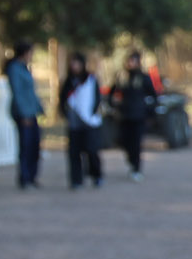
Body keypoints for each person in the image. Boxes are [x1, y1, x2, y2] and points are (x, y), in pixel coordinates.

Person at [59, 53, 104, 188]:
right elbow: (62, 99)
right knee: (74, 152)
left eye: (77, 63)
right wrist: (65, 114)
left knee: (92, 150)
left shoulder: (91, 79)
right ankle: (76, 180)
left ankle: (96, 175)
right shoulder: (68, 81)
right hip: (74, 123)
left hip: (89, 122)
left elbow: (97, 98)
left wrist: (92, 113)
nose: (74, 66)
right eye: (72, 63)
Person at [110, 51, 156, 181]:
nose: (131, 64)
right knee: (124, 141)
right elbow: (112, 93)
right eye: (129, 61)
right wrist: (114, 105)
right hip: (124, 116)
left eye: (134, 61)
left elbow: (153, 96)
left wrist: (149, 112)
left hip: (138, 117)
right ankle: (131, 161)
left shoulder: (144, 78)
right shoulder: (122, 78)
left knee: (136, 143)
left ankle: (136, 168)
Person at [4, 40, 43, 189]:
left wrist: (39, 108)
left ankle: (32, 177)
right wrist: (24, 114)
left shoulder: (24, 68)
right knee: (26, 145)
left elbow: (31, 92)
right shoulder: (14, 69)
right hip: (23, 114)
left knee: (34, 145)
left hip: (32, 112)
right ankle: (25, 178)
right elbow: (18, 93)